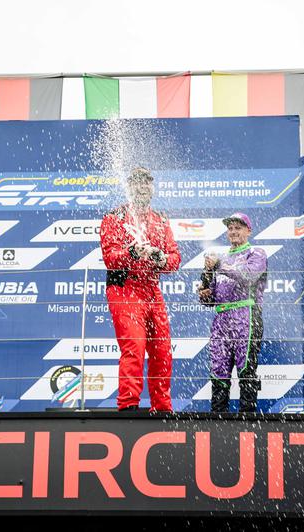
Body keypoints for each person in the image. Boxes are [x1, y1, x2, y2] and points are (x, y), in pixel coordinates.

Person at [100, 167, 181, 412]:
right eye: (136, 182)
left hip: (152, 289)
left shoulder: (161, 220)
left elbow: (174, 258)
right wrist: (133, 252)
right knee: (134, 347)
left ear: (152, 188)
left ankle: (162, 407)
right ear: (129, 187)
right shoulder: (114, 217)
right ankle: (128, 407)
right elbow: (110, 258)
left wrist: (160, 259)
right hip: (125, 288)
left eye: (146, 182)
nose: (142, 187)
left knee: (162, 351)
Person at [197, 213, 267, 413]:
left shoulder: (256, 253)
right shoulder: (222, 259)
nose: (233, 232)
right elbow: (209, 300)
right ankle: (218, 420)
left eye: (238, 228)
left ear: (248, 231)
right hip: (221, 321)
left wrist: (219, 265)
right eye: (230, 228)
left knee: (246, 370)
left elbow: (249, 276)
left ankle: (248, 420)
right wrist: (205, 289)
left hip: (247, 315)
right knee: (218, 371)